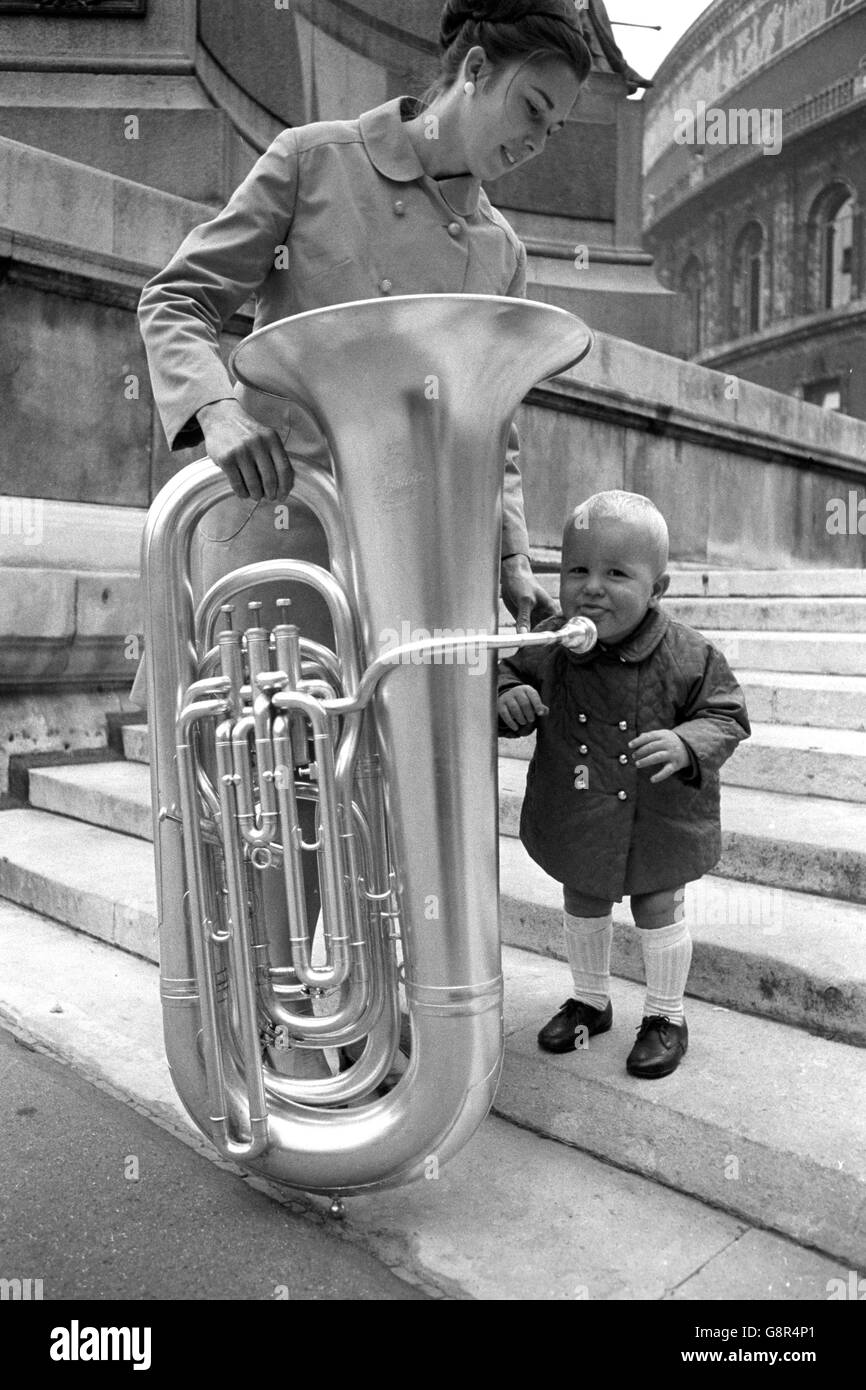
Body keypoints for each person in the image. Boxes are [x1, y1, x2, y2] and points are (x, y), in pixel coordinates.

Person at [135, 0, 595, 653]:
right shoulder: (311, 160)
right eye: (532, 108)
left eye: (554, 128)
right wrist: (215, 411)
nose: (536, 142)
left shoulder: (504, 253)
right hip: (274, 540)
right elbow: (176, 299)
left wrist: (509, 558)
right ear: (475, 69)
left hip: (409, 578)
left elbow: (495, 429)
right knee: (273, 752)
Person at [497, 491, 750, 1078]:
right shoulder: (552, 642)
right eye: (576, 570)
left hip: (657, 814)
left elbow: (727, 715)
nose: (591, 587)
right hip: (580, 806)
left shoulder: (690, 653)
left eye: (616, 574)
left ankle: (666, 1015)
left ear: (657, 590)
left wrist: (688, 743)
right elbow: (507, 671)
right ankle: (591, 1000)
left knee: (658, 904)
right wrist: (506, 696)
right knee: (582, 897)